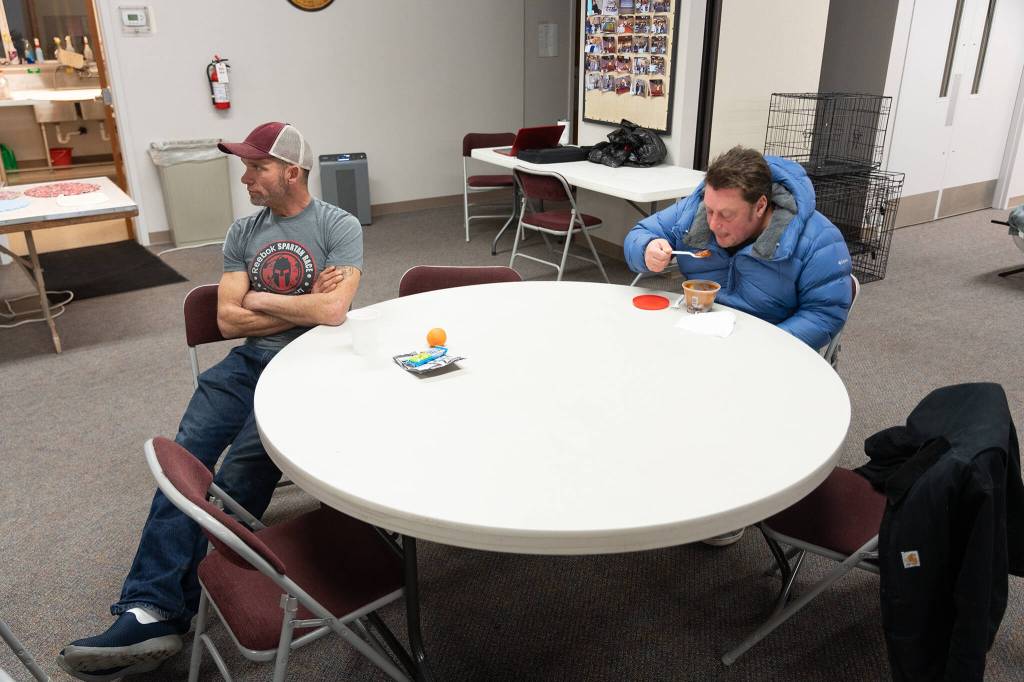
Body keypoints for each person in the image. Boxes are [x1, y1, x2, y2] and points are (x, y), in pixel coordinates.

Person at [58, 122, 364, 680]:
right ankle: (148, 608)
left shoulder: (337, 225)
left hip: (307, 369)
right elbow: (227, 319)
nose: (246, 178)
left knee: (243, 470)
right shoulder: (243, 231)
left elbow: (333, 312)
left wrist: (258, 298)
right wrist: (299, 303)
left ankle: (178, 601)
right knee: (185, 465)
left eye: (257, 167)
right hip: (245, 364)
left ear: (291, 172)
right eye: (245, 167)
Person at [626, 146, 852, 546]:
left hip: (768, 347)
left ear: (761, 205)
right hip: (700, 332)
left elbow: (825, 313)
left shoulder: (818, 239)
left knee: (720, 406)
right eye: (710, 210)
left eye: (726, 215)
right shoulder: (698, 208)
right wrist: (646, 250)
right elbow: (640, 233)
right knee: (639, 375)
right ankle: (657, 472)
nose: (713, 224)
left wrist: (760, 345)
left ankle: (724, 497)